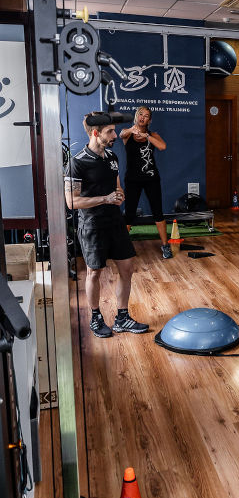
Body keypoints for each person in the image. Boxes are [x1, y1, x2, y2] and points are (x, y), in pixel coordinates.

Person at [64, 112, 149, 339]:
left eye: (113, 131)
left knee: (127, 268)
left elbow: (117, 185)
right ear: (95, 133)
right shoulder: (77, 162)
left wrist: (119, 195)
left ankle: (122, 318)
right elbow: (72, 201)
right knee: (93, 273)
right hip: (92, 224)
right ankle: (95, 317)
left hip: (115, 221)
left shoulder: (112, 157)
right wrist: (105, 199)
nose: (114, 135)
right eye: (109, 132)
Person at [120, 106, 172, 260]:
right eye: (140, 114)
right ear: (136, 116)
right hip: (132, 180)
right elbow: (121, 134)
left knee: (158, 212)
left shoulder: (153, 135)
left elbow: (162, 146)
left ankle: (165, 245)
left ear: (149, 120)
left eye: (146, 116)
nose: (143, 117)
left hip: (151, 179)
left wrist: (146, 136)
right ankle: (121, 246)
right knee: (129, 214)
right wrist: (132, 130)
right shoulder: (127, 134)